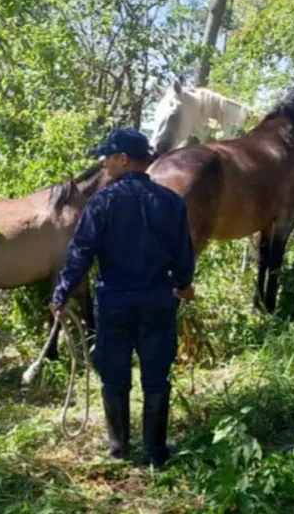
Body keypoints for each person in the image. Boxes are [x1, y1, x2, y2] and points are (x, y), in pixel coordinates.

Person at [51, 128, 196, 468]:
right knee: (156, 376)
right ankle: (155, 453)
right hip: (158, 300)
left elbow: (80, 254)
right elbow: (183, 255)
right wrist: (184, 284)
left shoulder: (102, 203)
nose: (103, 163)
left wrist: (61, 295)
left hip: (114, 302)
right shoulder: (171, 202)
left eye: (107, 156)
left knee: (114, 375)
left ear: (123, 159)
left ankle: (119, 449)